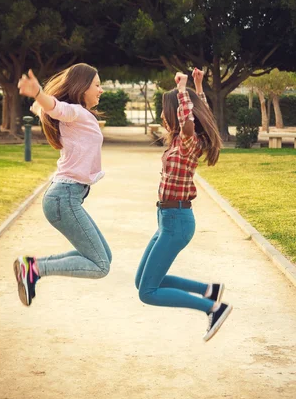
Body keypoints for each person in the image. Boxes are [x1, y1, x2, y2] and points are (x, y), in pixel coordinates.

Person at [135, 68, 232, 342]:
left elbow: (189, 121)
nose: (164, 118)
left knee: (148, 292)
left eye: (167, 114)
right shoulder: (181, 140)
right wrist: (198, 88)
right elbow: (201, 116)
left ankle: (213, 308)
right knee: (141, 282)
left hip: (176, 221)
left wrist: (181, 91)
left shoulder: (190, 141)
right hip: (167, 219)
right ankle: (207, 291)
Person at [14, 63, 112, 307]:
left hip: (67, 197)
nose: (101, 90)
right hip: (63, 198)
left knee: (103, 257)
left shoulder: (81, 115)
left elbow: (50, 109)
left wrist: (39, 104)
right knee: (100, 266)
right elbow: (57, 108)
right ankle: (33, 269)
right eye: (97, 85)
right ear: (82, 87)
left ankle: (33, 267)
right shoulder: (75, 112)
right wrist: (38, 95)